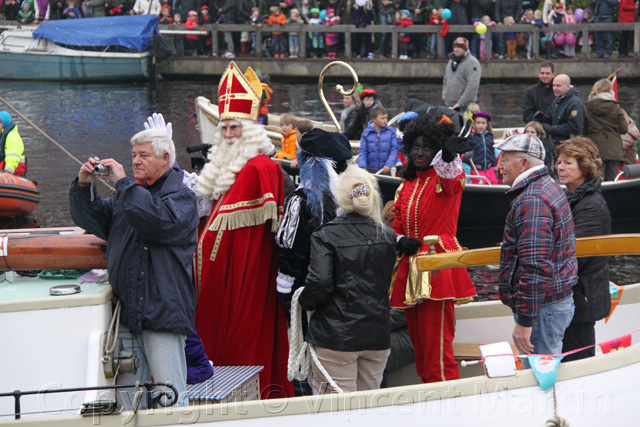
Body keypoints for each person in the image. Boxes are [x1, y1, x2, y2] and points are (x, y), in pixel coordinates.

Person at [69, 128, 198, 408]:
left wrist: (124, 183)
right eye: (133, 155)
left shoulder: (181, 197)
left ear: (165, 159)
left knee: (171, 397)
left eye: (143, 155)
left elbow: (156, 222)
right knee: (128, 401)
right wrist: (82, 186)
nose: (135, 161)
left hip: (163, 313)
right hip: (129, 314)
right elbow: (93, 219)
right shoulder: (129, 196)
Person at [194, 61, 292, 399]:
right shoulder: (229, 167)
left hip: (248, 274)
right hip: (224, 276)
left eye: (234, 128)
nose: (227, 135)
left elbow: (240, 230)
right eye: (223, 129)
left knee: (246, 335)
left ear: (249, 129)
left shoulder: (259, 167)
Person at [390, 114, 477, 383]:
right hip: (410, 266)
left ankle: (445, 402)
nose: (419, 153)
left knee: (438, 347)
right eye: (415, 147)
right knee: (420, 344)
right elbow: (395, 227)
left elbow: (451, 176)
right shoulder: (407, 184)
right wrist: (399, 241)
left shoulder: (444, 179)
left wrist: (448, 157)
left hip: (438, 265)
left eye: (427, 147)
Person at [299, 166, 396, 393]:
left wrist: (303, 302)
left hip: (335, 337)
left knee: (336, 410)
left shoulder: (324, 235)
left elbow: (320, 284)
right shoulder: (388, 236)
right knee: (369, 405)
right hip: (377, 334)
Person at [494, 133, 576, 358]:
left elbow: (535, 266)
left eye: (504, 159)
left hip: (542, 309)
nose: (499, 164)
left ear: (523, 163)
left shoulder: (532, 199)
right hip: (551, 303)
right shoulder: (546, 185)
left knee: (542, 376)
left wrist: (524, 322)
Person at [555, 137, 611, 362]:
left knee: (579, 360)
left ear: (585, 167)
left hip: (581, 299)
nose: (559, 167)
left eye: (568, 163)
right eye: (559, 161)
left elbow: (577, 255)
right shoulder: (574, 197)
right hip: (574, 296)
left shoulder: (591, 205)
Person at [584, 78, 628, 181]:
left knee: (597, 180)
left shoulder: (587, 107)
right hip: (614, 149)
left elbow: (584, 130)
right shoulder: (616, 107)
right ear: (609, 90)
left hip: (595, 148)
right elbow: (623, 129)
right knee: (611, 181)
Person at [536, 74, 585, 150]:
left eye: (558, 86)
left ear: (567, 87)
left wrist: (553, 129)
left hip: (570, 146)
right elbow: (551, 117)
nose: (555, 88)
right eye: (554, 85)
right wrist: (542, 117)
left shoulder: (575, 103)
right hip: (557, 144)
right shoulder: (557, 100)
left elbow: (575, 128)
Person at [442, 37, 482, 112]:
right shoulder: (451, 61)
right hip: (449, 104)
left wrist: (460, 103)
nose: (456, 49)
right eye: (455, 47)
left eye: (459, 47)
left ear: (465, 48)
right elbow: (445, 80)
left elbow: (472, 85)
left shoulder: (473, 63)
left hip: (465, 107)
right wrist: (444, 96)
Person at [357, 105, 398, 175]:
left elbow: (394, 150)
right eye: (382, 118)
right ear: (374, 120)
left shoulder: (391, 132)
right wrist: (362, 166)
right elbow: (363, 151)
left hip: (385, 169)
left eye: (386, 118)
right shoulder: (366, 133)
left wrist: (389, 164)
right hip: (370, 169)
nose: (385, 120)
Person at [467, 111, 498, 184]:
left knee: (494, 185)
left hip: (490, 169)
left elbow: (492, 152)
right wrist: (465, 157)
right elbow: (464, 151)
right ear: (474, 124)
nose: (480, 125)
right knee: (481, 188)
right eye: (478, 123)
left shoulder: (490, 136)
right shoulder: (471, 137)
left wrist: (495, 166)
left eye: (483, 123)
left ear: (487, 124)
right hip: (476, 169)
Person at [0, 111, 26, 176]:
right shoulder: (2, 135)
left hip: (14, 174)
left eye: (0, 122)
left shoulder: (12, 137)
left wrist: (8, 172)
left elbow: (13, 157)